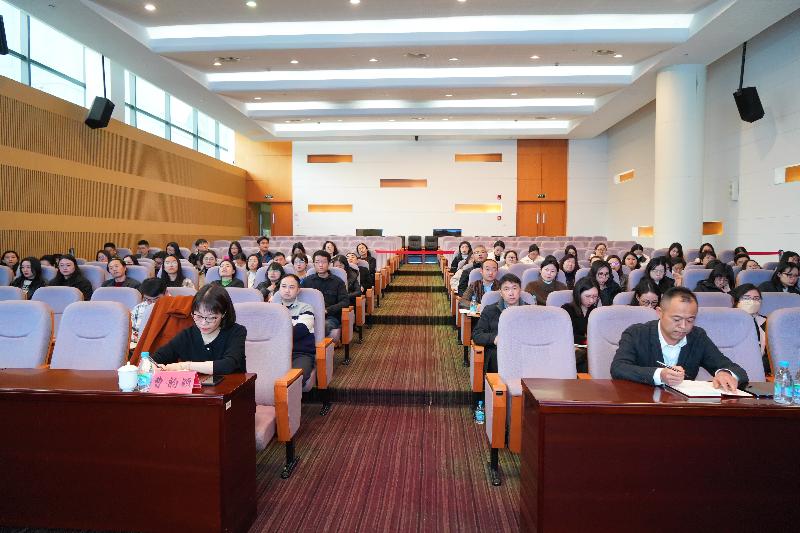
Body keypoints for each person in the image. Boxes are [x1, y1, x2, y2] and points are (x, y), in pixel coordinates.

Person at [610, 287, 748, 390]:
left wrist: (725, 373)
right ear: (660, 313)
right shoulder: (636, 333)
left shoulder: (697, 337)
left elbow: (735, 369)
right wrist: (659, 375)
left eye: (690, 320)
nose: (683, 326)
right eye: (676, 319)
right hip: (643, 405)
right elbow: (618, 368)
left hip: (682, 408)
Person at [152, 284, 247, 375]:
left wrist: (185, 366)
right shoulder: (187, 335)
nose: (203, 323)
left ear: (224, 314)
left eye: (211, 318)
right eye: (198, 316)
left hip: (231, 385)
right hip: (198, 387)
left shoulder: (237, 332)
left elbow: (228, 365)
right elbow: (156, 358)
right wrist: (153, 366)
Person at [472, 273, 529, 373]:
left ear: (520, 290)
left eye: (514, 288)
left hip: (524, 351)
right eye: (506, 289)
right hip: (498, 353)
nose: (511, 293)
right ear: (501, 293)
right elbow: (477, 335)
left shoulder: (530, 311)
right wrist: (494, 339)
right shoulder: (490, 310)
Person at [277, 274, 317, 385]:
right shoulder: (272, 308)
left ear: (298, 290)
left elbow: (300, 330)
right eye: (283, 286)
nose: (287, 290)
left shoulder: (306, 308)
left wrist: (275, 335)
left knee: (293, 381)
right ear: (279, 289)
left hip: (300, 353)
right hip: (276, 352)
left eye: (291, 287)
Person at [301, 250, 349, 335]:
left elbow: (345, 302)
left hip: (330, 317)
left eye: (323, 262)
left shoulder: (338, 282)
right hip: (309, 316)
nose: (320, 265)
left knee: (322, 327)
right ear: (314, 264)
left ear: (329, 264)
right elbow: (300, 299)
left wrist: (327, 310)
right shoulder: (307, 281)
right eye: (317, 262)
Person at [561, 277, 599, 373]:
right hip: (572, 349)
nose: (591, 301)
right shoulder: (566, 310)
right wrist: (586, 340)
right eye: (588, 296)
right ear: (578, 294)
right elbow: (566, 336)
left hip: (591, 350)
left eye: (595, 297)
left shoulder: (596, 312)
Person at [730, 283, 767, 364]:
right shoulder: (726, 322)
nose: (752, 302)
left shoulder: (767, 322)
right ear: (736, 301)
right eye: (746, 298)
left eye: (756, 298)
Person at [130, 278, 166, 346]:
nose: (153, 303)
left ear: (165, 293)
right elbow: (130, 330)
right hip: (141, 345)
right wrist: (135, 337)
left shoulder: (174, 307)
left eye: (156, 299)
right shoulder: (138, 308)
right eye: (148, 299)